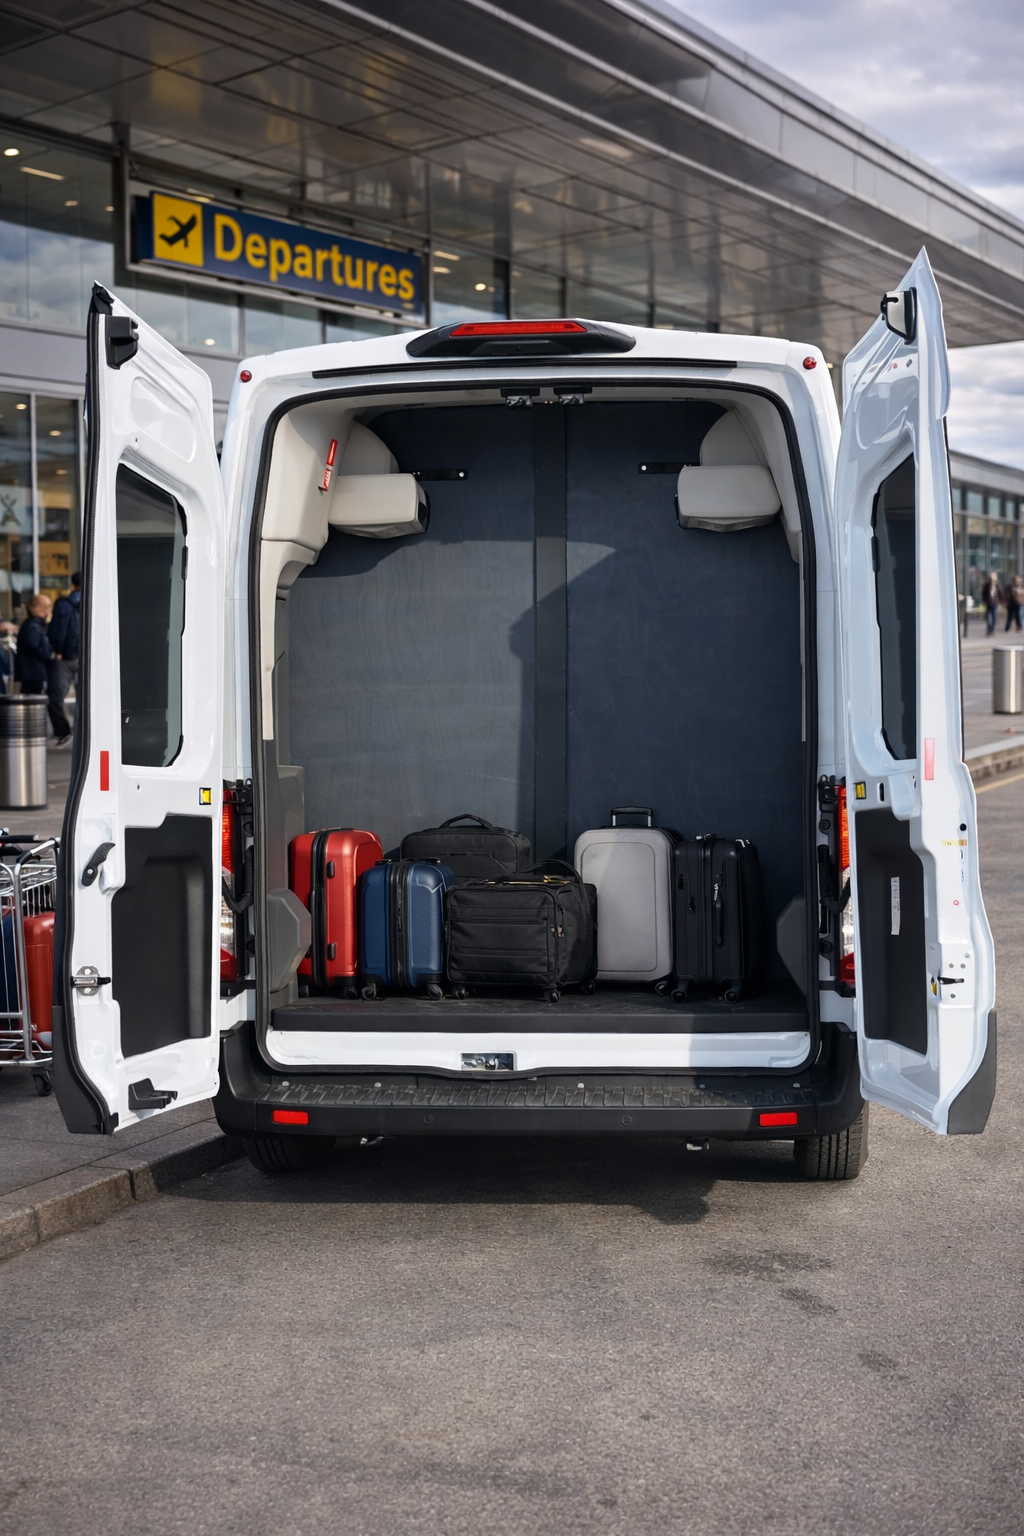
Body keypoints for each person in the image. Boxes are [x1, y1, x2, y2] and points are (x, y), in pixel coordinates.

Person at [48, 570, 81, 747]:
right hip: (89, 659)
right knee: (88, 696)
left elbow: (57, 630)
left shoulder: (63, 604)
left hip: (66, 658)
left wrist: (57, 650)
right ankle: (84, 732)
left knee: (55, 697)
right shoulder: (100, 600)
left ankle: (64, 732)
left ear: (73, 585)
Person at [15, 595, 54, 705]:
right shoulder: (33, 625)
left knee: (30, 698)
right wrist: (46, 656)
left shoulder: (35, 624)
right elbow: (33, 646)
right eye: (45, 607)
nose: (47, 611)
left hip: (32, 670)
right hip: (32, 670)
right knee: (31, 700)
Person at [982, 571, 1001, 635]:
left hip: (995, 604)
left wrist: (1001, 601)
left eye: (993, 577)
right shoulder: (987, 585)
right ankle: (989, 630)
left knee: (994, 618)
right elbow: (983, 594)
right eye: (991, 577)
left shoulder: (997, 585)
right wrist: (984, 601)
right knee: (989, 618)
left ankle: (992, 630)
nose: (992, 578)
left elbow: (1000, 593)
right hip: (988, 603)